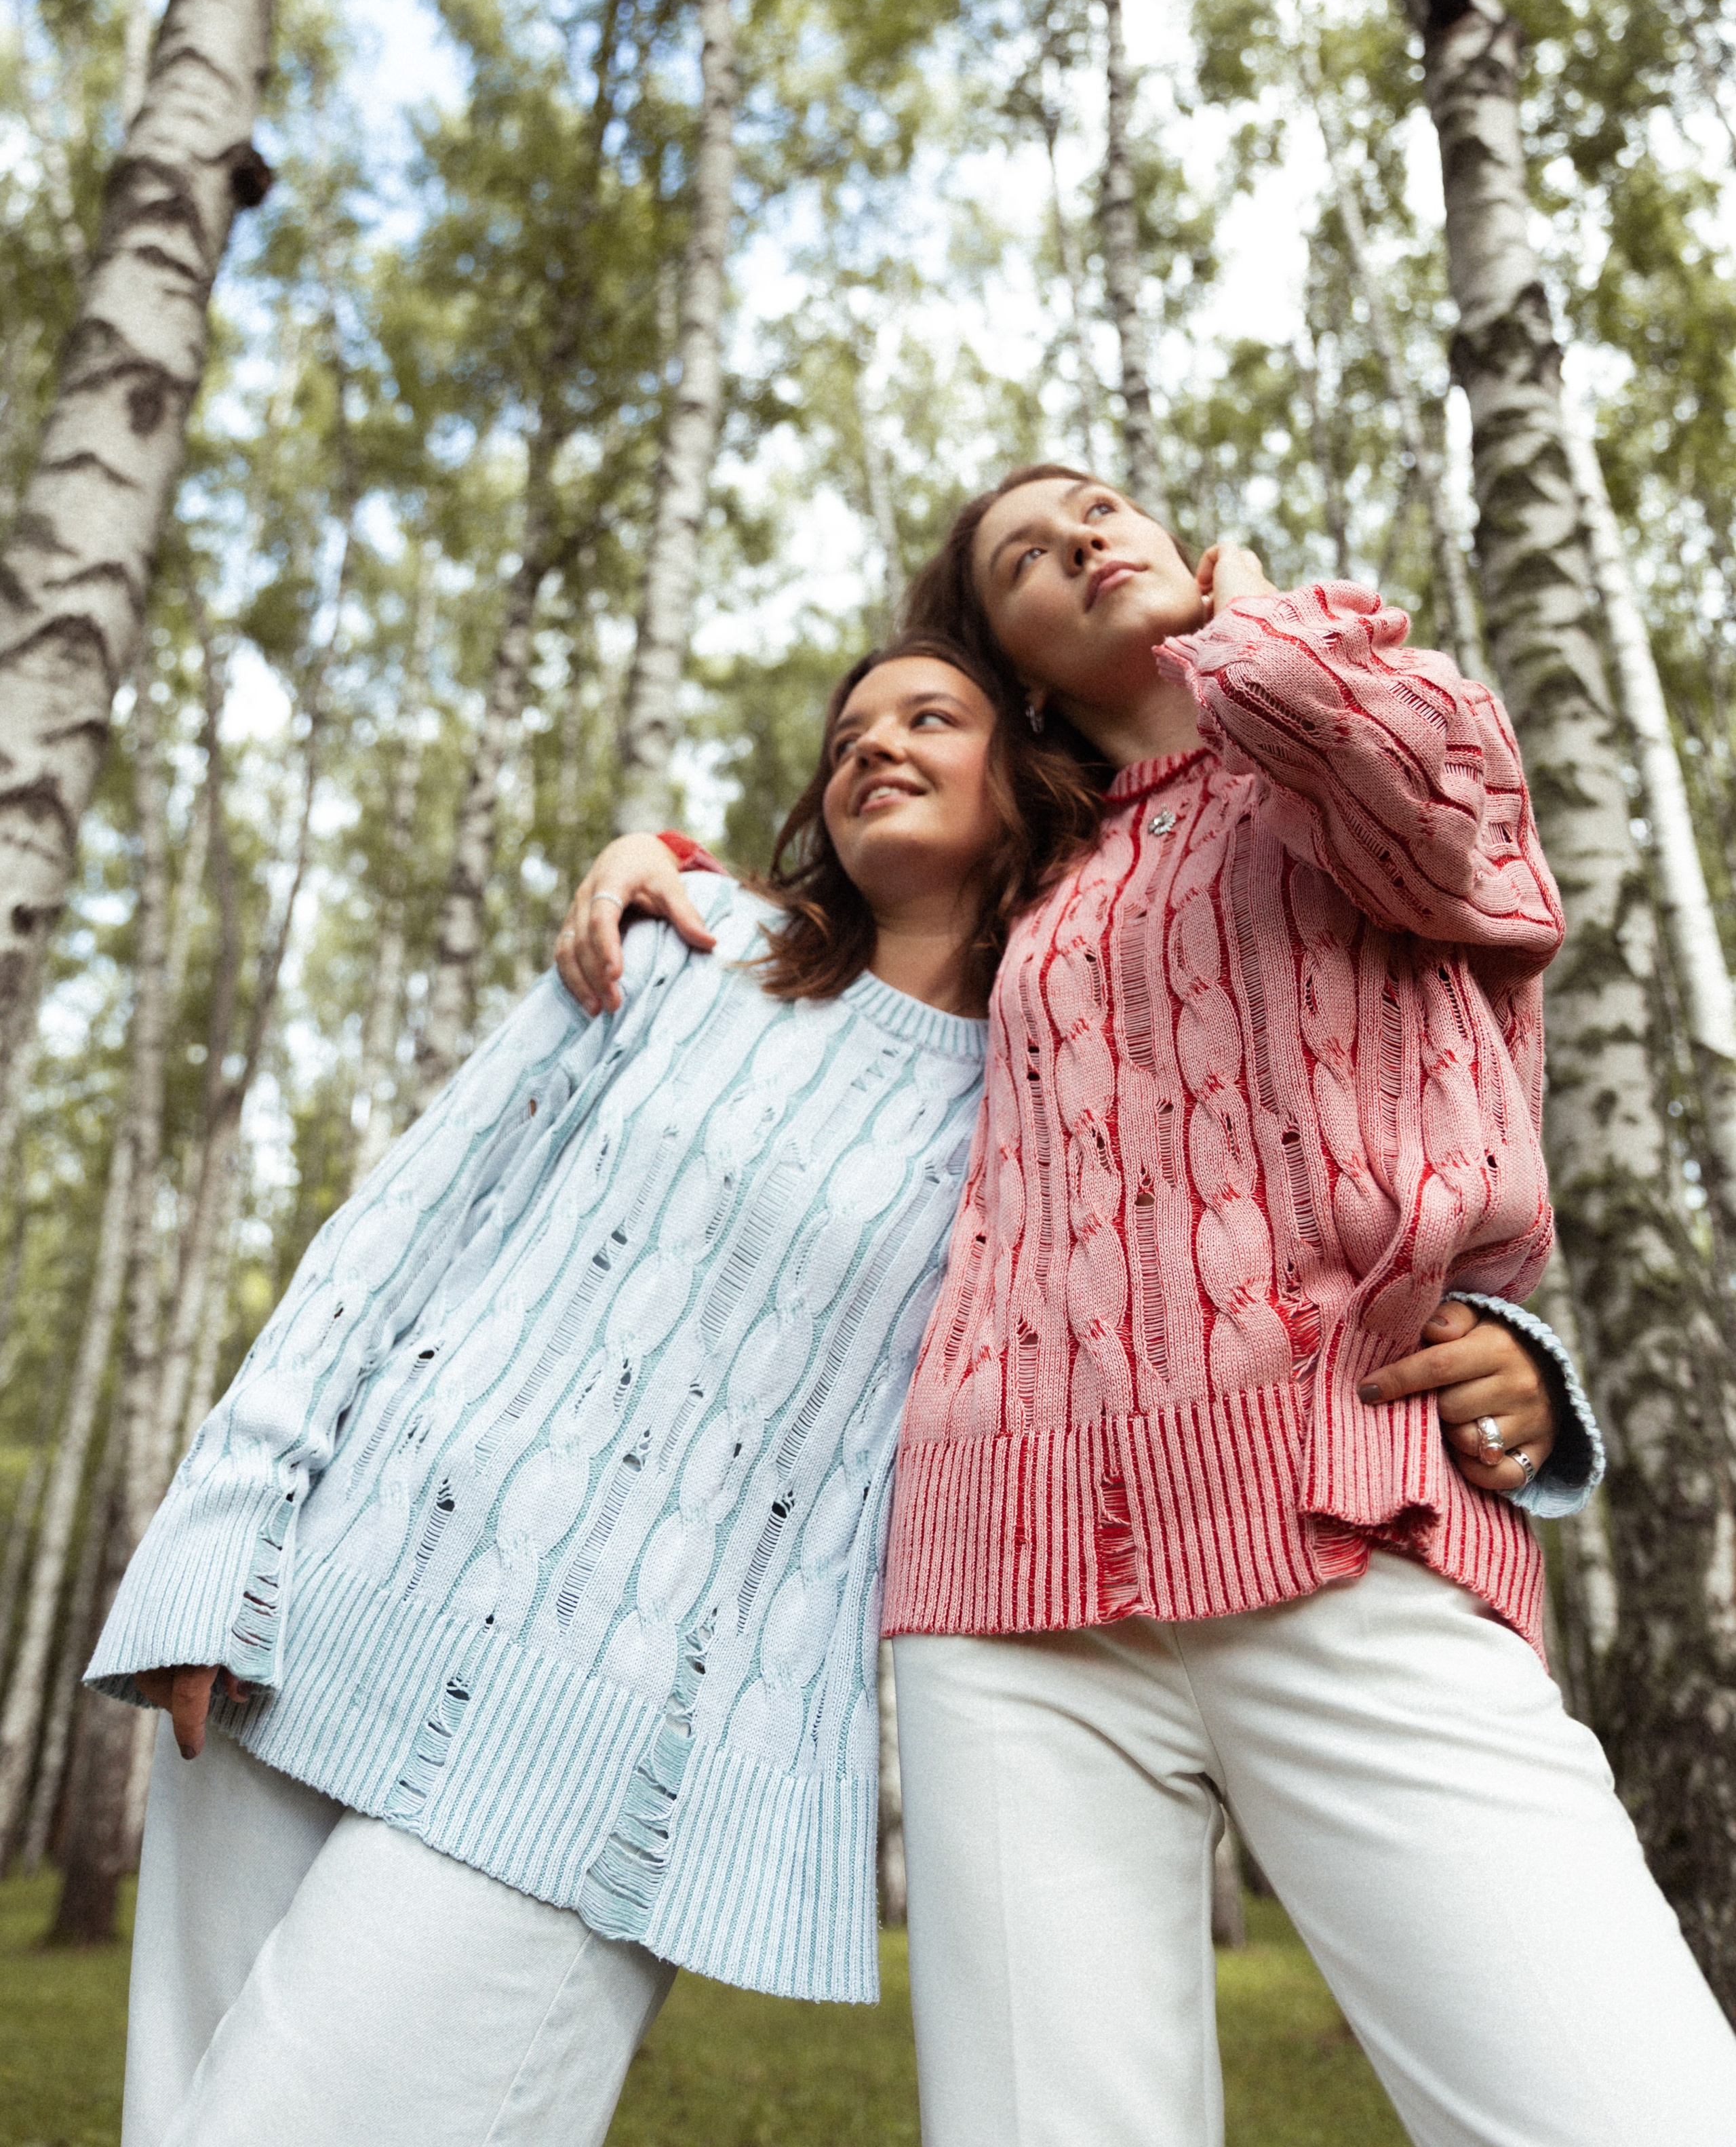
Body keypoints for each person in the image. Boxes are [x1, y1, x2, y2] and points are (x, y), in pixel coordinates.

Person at [559, 468, 1736, 2147]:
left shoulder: (1344, 691)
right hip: (1006, 1585)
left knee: (1624, 2106)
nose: (1084, 543)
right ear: (1018, 665)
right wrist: (657, 864)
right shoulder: (1031, 885)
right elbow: (835, 979)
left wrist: (1242, 617)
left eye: (1102, 509)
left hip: (1340, 1518)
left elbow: (1439, 826)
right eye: (1028, 560)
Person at [90, 636, 1094, 2147]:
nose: (869, 748)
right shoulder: (686, 943)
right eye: (845, 734)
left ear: (1027, 781)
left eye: (929, 719)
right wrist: (222, 1535)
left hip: (614, 1729)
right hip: (314, 1606)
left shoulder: (1058, 1098)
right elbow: (402, 1228)